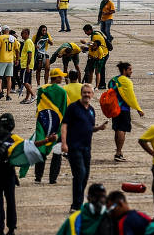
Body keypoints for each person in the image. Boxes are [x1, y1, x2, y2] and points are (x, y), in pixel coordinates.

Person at [61, 83, 106, 212]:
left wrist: (99, 128)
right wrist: (64, 143)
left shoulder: (91, 109)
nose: (86, 95)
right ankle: (76, 205)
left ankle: (79, 202)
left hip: (87, 148)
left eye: (89, 92)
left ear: (92, 94)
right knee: (79, 174)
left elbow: (89, 128)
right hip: (74, 147)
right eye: (85, 92)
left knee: (85, 176)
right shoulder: (73, 108)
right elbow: (64, 125)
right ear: (81, 93)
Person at [109, 62, 144, 162]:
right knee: (121, 130)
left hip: (114, 108)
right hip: (123, 109)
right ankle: (118, 153)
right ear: (124, 70)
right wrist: (138, 109)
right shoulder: (126, 81)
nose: (131, 71)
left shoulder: (113, 80)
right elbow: (130, 97)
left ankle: (118, 151)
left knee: (117, 129)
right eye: (130, 70)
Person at [0, 27, 18, 100]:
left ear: (3, 31)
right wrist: (17, 59)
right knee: (9, 78)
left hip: (2, 59)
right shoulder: (13, 38)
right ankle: (8, 95)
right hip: (10, 60)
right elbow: (17, 50)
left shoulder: (0, 37)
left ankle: (0, 92)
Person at [18, 29, 36, 104]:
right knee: (28, 82)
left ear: (26, 34)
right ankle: (26, 98)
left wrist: (27, 65)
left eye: (22, 34)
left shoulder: (28, 42)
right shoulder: (28, 42)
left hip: (26, 65)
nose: (21, 35)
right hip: (28, 65)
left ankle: (33, 95)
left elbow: (29, 54)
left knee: (24, 82)